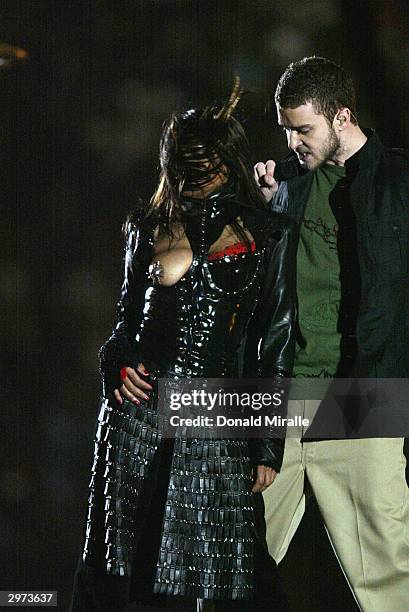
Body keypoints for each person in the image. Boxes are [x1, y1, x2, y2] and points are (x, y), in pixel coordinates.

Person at [70, 81, 296, 612]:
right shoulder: (146, 225)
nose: (197, 174)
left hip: (216, 415)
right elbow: (123, 324)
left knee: (230, 569)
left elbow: (276, 340)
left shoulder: (266, 232)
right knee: (126, 563)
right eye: (187, 163)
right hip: (137, 417)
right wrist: (117, 363)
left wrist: (266, 442)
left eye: (207, 162)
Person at [254, 56, 409, 612]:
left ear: (341, 116)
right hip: (292, 394)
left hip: (365, 395)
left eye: (303, 128)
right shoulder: (291, 194)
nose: (293, 141)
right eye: (287, 129)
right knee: (240, 552)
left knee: (386, 575)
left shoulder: (398, 181)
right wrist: (272, 208)